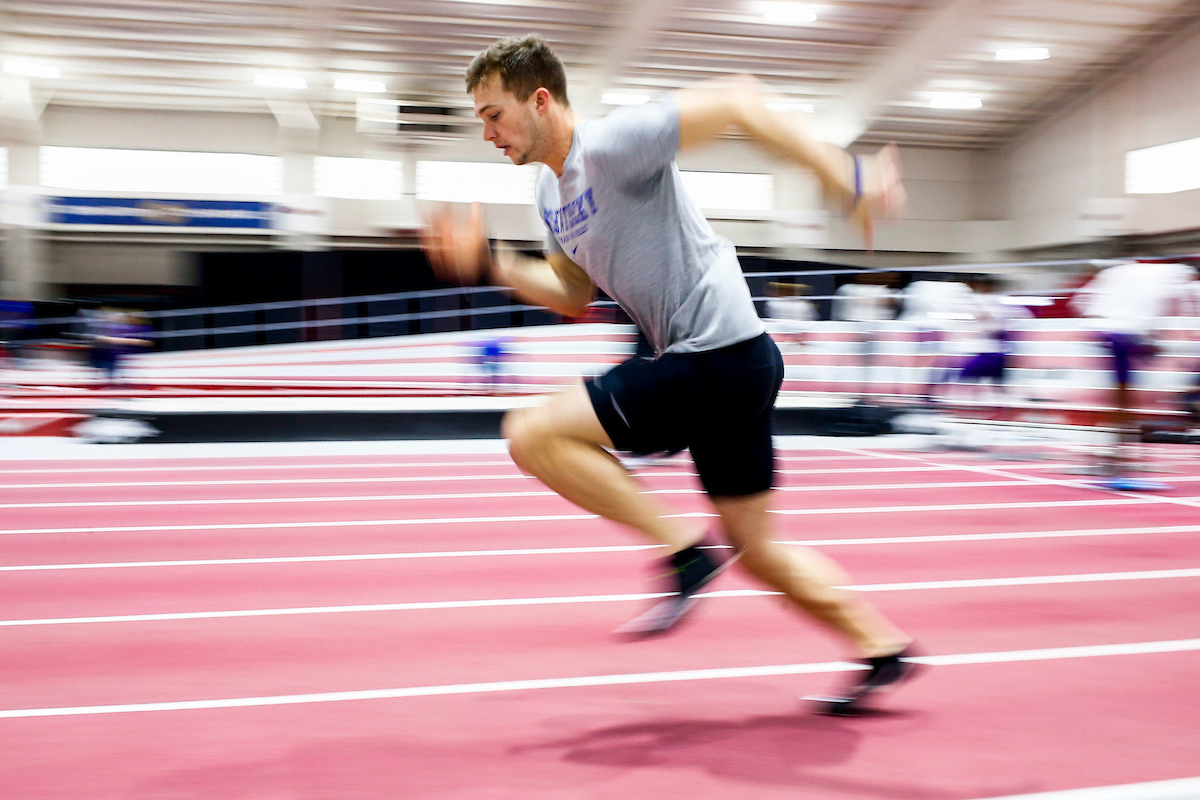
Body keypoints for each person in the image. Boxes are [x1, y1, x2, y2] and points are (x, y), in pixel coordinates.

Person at [422, 34, 915, 714]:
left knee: (532, 435)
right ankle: (880, 645)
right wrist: (491, 264)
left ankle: (685, 553)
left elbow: (740, 100)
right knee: (758, 545)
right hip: (730, 362)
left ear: (540, 100)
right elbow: (570, 293)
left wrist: (845, 178)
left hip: (715, 355)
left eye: (492, 114)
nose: (486, 132)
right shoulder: (550, 193)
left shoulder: (612, 145)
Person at [1072, 259, 1198, 487]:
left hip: (1105, 333)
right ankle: (1120, 461)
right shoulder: (1179, 273)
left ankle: (1114, 457)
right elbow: (1178, 304)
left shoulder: (1119, 270)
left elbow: (1080, 303)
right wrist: (1155, 336)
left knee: (1120, 400)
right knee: (1125, 402)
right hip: (1127, 336)